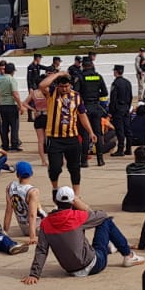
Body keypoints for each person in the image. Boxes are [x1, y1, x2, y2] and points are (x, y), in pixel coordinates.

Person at [21, 186, 143, 281]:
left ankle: (109, 247)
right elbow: (102, 215)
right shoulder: (77, 216)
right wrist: (82, 205)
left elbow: (42, 250)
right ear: (73, 202)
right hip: (93, 264)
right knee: (106, 222)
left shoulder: (46, 222)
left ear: (56, 201)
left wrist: (34, 274)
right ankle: (128, 255)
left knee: (91, 237)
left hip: (70, 269)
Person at [40, 70, 93, 198]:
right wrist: (58, 74)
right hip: (55, 138)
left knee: (75, 168)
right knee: (55, 167)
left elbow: (82, 115)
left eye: (67, 86)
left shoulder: (77, 96)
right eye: (62, 86)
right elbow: (42, 85)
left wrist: (90, 131)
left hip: (72, 137)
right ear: (58, 86)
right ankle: (55, 188)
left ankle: (76, 194)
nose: (64, 89)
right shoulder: (52, 93)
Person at [1, 161, 48, 239]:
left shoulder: (10, 187)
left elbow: (8, 211)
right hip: (39, 227)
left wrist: (5, 231)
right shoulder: (32, 191)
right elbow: (32, 215)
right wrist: (32, 237)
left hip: (24, 227)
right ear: (31, 174)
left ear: (17, 175)